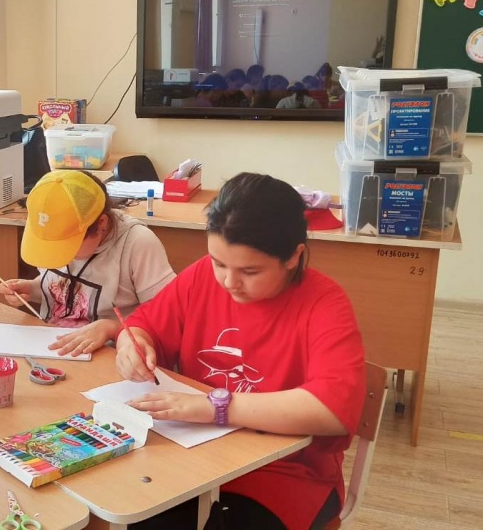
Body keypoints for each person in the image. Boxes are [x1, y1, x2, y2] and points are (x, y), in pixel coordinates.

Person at [116, 173, 365, 530]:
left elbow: (331, 410)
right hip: (191, 454)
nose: (229, 282)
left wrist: (216, 408)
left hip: (281, 473)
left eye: (250, 271)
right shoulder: (202, 277)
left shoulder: (324, 304)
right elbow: (143, 325)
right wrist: (133, 344)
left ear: (293, 257)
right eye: (219, 263)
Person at [0, 170, 175, 357]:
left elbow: (166, 316)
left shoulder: (137, 243)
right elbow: (65, 289)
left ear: (101, 224)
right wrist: (33, 288)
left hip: (112, 356)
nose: (61, 255)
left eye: (68, 245)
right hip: (55, 348)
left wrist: (113, 328)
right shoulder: (52, 228)